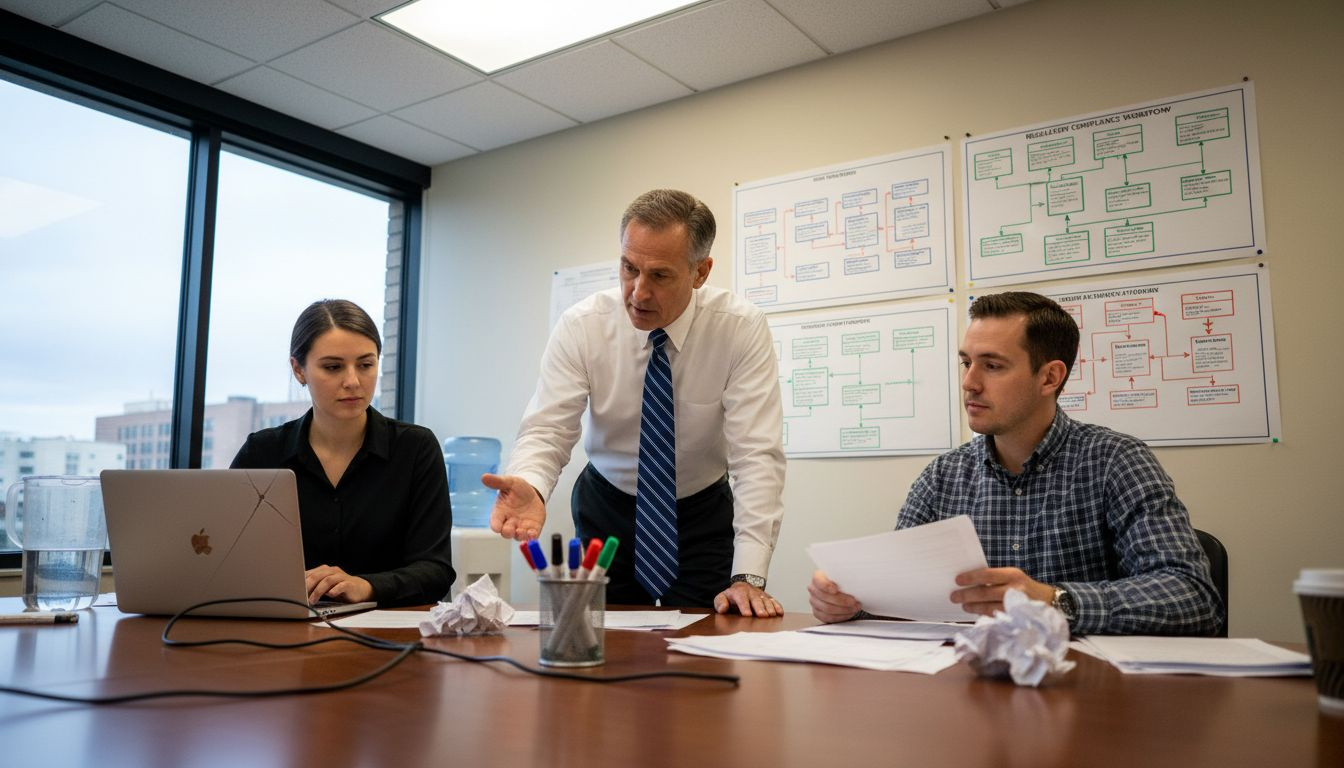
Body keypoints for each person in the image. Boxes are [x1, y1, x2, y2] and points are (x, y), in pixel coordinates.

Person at [808, 291, 1225, 635]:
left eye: (992, 365)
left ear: (1049, 377)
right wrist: (849, 605)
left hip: (1087, 698)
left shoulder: (1116, 462)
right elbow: (898, 601)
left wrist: (1052, 600)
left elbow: (1192, 596)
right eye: (966, 362)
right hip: (968, 694)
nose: (970, 381)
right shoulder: (941, 478)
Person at [486, 189, 786, 616]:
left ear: (701, 272)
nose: (638, 293)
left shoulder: (739, 329)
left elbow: (756, 455)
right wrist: (531, 483)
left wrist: (748, 576)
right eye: (629, 268)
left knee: (705, 652)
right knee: (604, 647)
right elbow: (549, 427)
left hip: (701, 513)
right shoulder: (582, 326)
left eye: (660, 276)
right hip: (607, 508)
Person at [231, 299, 454, 608]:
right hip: (282, 627)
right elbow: (226, 560)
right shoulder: (262, 453)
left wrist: (366, 586)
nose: (353, 381)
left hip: (387, 636)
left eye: (365, 364)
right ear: (299, 370)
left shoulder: (415, 448)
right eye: (333, 367)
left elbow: (436, 571)